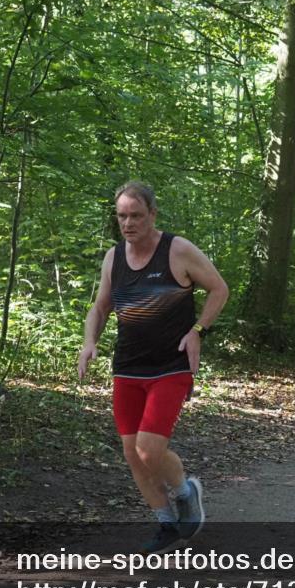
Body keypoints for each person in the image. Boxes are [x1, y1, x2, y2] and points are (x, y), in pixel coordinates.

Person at [78, 180, 229, 554]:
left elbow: (219, 289)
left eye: (136, 216)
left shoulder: (176, 250)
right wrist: (89, 341)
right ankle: (166, 523)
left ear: (152, 215)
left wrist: (197, 330)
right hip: (128, 367)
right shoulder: (114, 257)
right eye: (122, 216)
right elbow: (101, 306)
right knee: (132, 453)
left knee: (148, 450)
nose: (128, 224)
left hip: (170, 367)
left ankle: (185, 492)